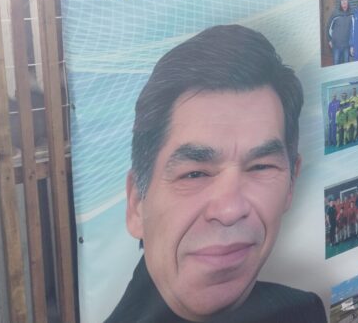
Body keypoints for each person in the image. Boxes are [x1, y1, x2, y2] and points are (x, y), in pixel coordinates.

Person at [108, 25, 325, 323]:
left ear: (291, 184)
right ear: (136, 204)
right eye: (195, 174)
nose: (230, 210)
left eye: (260, 167)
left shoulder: (303, 311)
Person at [327, 0, 354, 65]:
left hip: (346, 46)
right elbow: (328, 27)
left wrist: (352, 44)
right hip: (336, 45)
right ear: (340, 2)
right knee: (336, 65)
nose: (344, 1)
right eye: (342, 0)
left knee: (346, 65)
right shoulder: (335, 13)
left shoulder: (352, 14)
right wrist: (329, 40)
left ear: (348, 1)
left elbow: (353, 29)